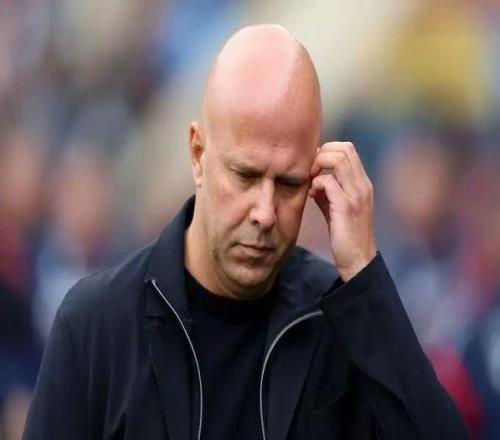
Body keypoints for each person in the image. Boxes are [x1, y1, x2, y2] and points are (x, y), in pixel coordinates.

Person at [23, 24, 467, 439]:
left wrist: (365, 276)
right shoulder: (97, 327)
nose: (265, 212)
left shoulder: (340, 325)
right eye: (245, 176)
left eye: (289, 183)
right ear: (198, 155)